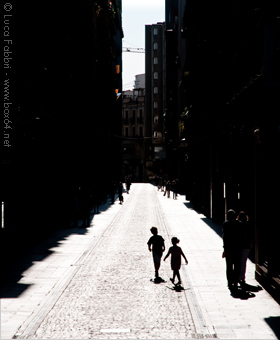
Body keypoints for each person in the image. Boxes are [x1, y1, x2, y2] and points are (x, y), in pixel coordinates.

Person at [222, 209, 242, 291]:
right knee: (237, 265)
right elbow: (241, 236)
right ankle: (236, 281)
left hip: (229, 248)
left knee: (229, 265)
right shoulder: (239, 224)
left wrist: (224, 248)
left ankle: (230, 282)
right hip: (237, 248)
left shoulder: (226, 224)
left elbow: (224, 237)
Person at [238, 211, 252, 288]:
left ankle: (238, 277)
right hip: (246, 246)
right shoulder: (248, 225)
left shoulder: (238, 225)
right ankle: (242, 277)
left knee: (238, 262)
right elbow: (250, 236)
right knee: (243, 262)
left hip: (239, 246)